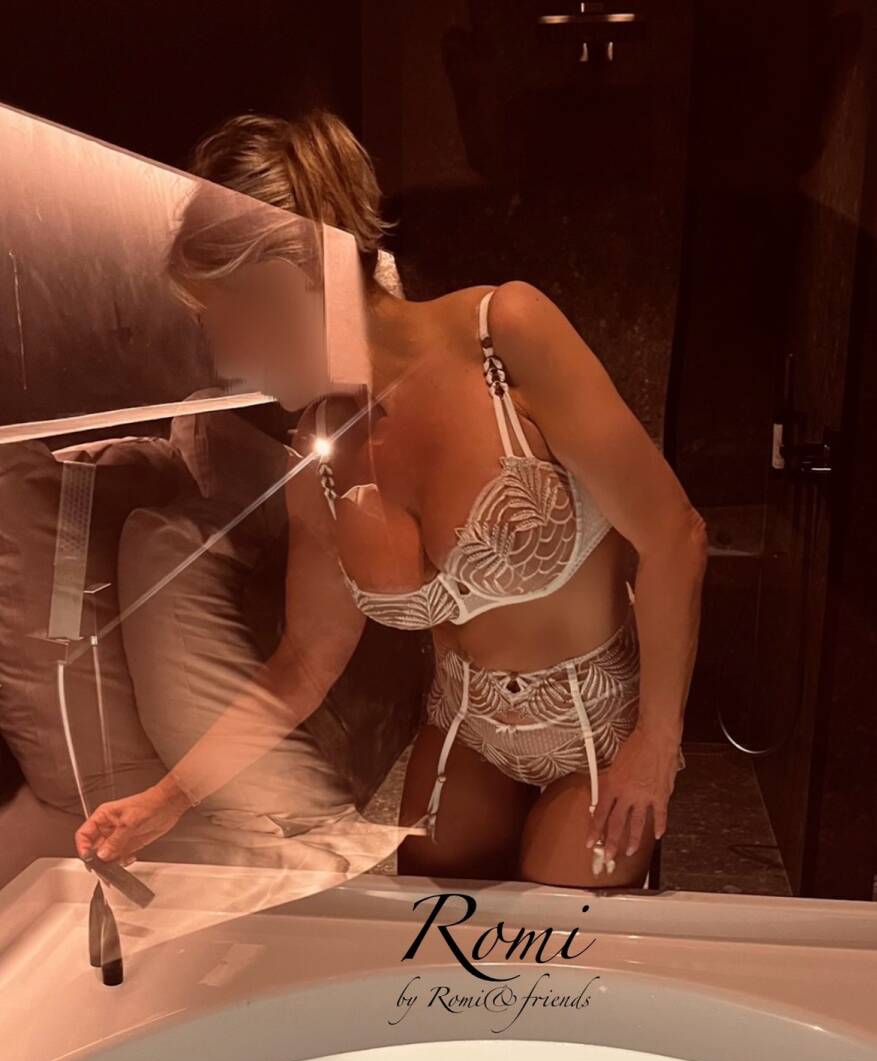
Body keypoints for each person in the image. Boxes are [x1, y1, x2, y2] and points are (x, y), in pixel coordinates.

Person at [74, 108, 708, 888]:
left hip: (597, 727)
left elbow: (674, 534)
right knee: (431, 935)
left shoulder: (503, 334)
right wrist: (165, 801)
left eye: (221, 321)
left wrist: (656, 744)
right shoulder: (319, 452)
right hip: (464, 731)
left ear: (288, 281)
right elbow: (303, 662)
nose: (224, 358)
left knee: (554, 934)